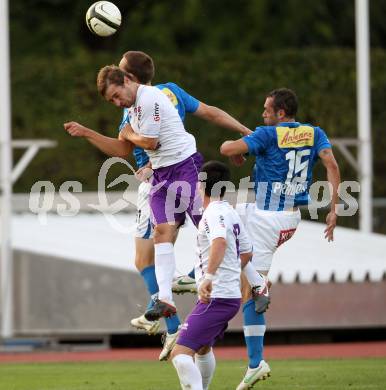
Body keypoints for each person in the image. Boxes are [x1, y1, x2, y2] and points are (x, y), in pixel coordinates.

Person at [64, 51, 251, 361]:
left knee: (209, 227)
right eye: (111, 101)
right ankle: (165, 300)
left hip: (184, 167)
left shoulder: (151, 96)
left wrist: (128, 133)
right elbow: (125, 146)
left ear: (128, 79)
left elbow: (149, 143)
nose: (117, 103)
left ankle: (253, 282)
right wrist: (87, 133)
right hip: (161, 174)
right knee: (161, 234)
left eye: (116, 96)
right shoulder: (133, 105)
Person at [220, 88, 341, 389]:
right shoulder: (314, 133)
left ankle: (255, 363)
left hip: (266, 220)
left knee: (250, 290)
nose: (263, 113)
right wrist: (334, 209)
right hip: (288, 217)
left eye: (267, 109)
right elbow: (332, 165)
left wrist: (241, 143)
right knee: (223, 222)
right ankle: (209, 277)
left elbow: (226, 149)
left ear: (281, 113)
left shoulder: (267, 134)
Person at [170, 161, 253, 390]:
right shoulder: (230, 212)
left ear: (201, 185)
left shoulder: (214, 212)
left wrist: (209, 276)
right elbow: (246, 252)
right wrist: (228, 271)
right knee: (203, 348)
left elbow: (219, 241)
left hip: (217, 297)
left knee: (179, 354)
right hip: (227, 295)